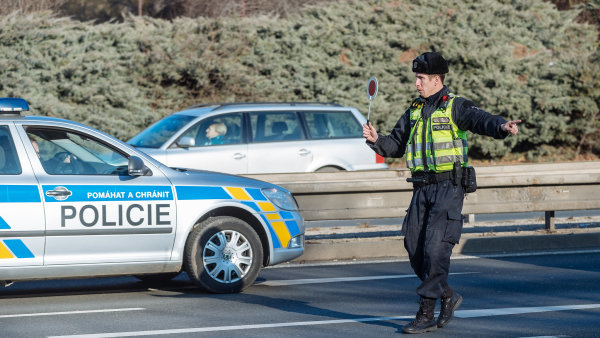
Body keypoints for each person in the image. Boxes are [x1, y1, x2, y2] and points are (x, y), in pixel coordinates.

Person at [362, 52, 520, 334]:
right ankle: (447, 295)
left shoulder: (455, 106)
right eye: (416, 78)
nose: (417, 84)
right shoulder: (414, 110)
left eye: (421, 79)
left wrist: (500, 126)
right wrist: (377, 141)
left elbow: (479, 118)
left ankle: (425, 312)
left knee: (435, 249)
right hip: (422, 188)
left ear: (437, 80)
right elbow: (396, 145)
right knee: (414, 247)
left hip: (449, 187)